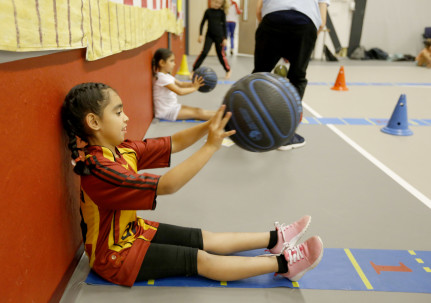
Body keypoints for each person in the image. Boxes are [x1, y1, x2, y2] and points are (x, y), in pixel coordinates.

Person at [61, 82, 324, 287]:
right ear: (94, 122)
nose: (126, 117)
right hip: (115, 257)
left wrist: (211, 123)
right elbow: (167, 185)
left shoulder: (122, 150)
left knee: (203, 238)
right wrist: (210, 146)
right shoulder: (98, 170)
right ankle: (284, 263)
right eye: (118, 112)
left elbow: (173, 142)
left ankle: (277, 238)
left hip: (133, 230)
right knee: (201, 260)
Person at [253, 0, 330, 151]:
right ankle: (285, 136)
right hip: (304, 22)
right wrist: (300, 45)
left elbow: (258, 11)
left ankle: (249, 124)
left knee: (259, 74)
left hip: (272, 18)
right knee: (297, 78)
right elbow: (322, 22)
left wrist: (271, 35)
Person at [152, 48, 216, 121]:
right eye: (171, 61)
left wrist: (194, 84)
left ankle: (223, 114)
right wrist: (194, 88)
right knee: (198, 113)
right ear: (162, 63)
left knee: (198, 110)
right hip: (167, 112)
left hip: (173, 107)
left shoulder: (167, 76)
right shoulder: (162, 78)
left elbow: (181, 84)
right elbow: (180, 91)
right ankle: (225, 118)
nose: (174, 64)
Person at [193, 0, 231, 79]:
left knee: (220, 55)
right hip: (209, 36)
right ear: (211, 2)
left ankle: (228, 70)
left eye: (219, 3)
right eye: (215, 2)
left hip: (219, 37)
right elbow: (202, 23)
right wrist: (200, 34)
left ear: (221, 4)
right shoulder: (208, 11)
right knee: (204, 52)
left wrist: (225, 39)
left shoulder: (222, 13)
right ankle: (194, 70)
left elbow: (225, 26)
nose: (217, 4)